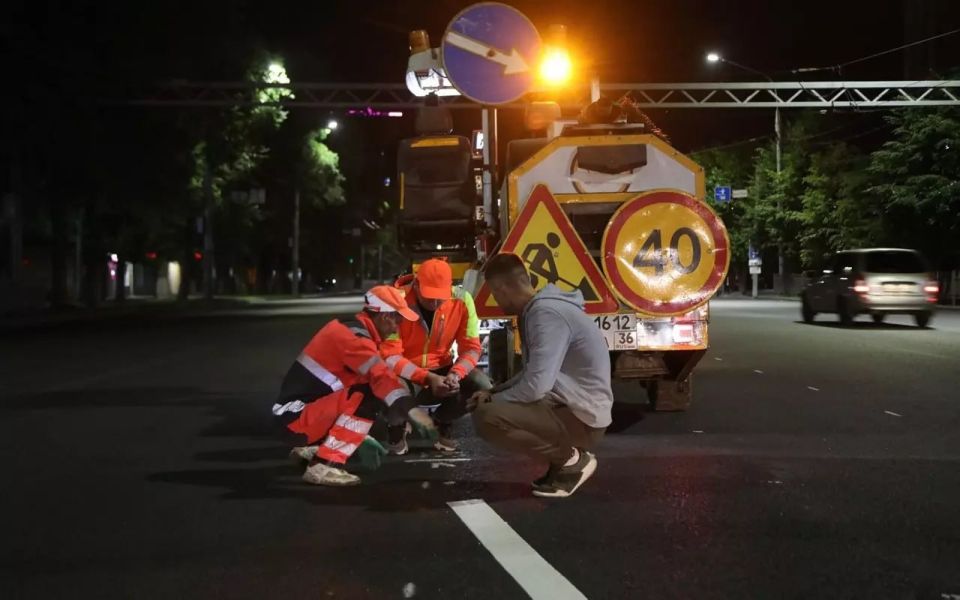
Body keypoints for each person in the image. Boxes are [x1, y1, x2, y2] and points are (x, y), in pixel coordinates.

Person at [468, 253, 613, 498]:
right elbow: (532, 373)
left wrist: (494, 401)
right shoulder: (540, 309)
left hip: (584, 419)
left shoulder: (546, 313)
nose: (495, 299)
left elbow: (536, 386)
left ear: (502, 288)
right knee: (492, 404)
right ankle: (563, 461)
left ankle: (572, 460)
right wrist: (492, 391)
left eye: (494, 292)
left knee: (488, 416)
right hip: (571, 407)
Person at [272, 285, 438, 486]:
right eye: (398, 320)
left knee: (368, 387)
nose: (397, 328)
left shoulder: (352, 328)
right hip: (295, 419)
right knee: (369, 393)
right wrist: (414, 411)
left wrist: (359, 437)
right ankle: (324, 465)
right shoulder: (355, 339)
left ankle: (313, 448)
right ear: (386, 317)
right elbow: (381, 377)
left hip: (296, 413)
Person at [380, 258, 493, 453]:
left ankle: (443, 420)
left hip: (443, 369)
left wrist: (455, 375)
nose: (434, 303)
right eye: (428, 296)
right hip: (406, 373)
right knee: (390, 385)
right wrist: (428, 378)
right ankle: (396, 425)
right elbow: (390, 356)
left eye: (440, 297)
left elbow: (471, 348)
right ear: (416, 284)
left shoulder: (462, 301)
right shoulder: (396, 302)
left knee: (483, 386)